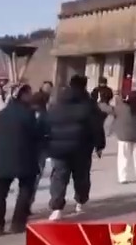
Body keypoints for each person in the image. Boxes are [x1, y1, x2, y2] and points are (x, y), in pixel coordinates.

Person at [44, 75, 106, 221]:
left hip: (59, 148)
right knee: (81, 176)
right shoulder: (89, 104)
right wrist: (99, 145)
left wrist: (47, 144)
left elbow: (47, 123)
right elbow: (97, 127)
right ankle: (80, 201)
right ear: (84, 85)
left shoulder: (57, 103)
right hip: (82, 147)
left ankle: (57, 208)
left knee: (59, 177)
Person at [0, 84, 45, 235]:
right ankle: (18, 223)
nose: (31, 96)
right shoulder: (29, 114)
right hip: (25, 157)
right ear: (22, 95)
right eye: (29, 93)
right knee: (25, 189)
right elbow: (36, 134)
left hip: (2, 157)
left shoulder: (1, 114)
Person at [114, 91, 136, 184]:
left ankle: (123, 177)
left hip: (124, 136)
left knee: (123, 157)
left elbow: (112, 111)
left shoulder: (121, 107)